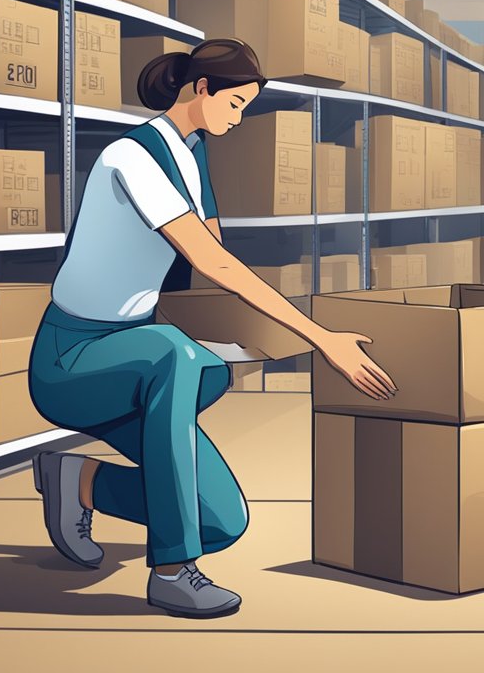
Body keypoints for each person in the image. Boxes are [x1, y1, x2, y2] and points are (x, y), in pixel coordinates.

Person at [27, 38, 396, 619]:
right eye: (235, 103)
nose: (239, 117)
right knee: (176, 356)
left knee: (222, 518)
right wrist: (321, 339)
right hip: (72, 359)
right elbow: (212, 262)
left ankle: (76, 480)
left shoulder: (192, 152)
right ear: (200, 89)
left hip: (132, 351)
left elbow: (213, 251)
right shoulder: (133, 157)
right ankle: (173, 571)